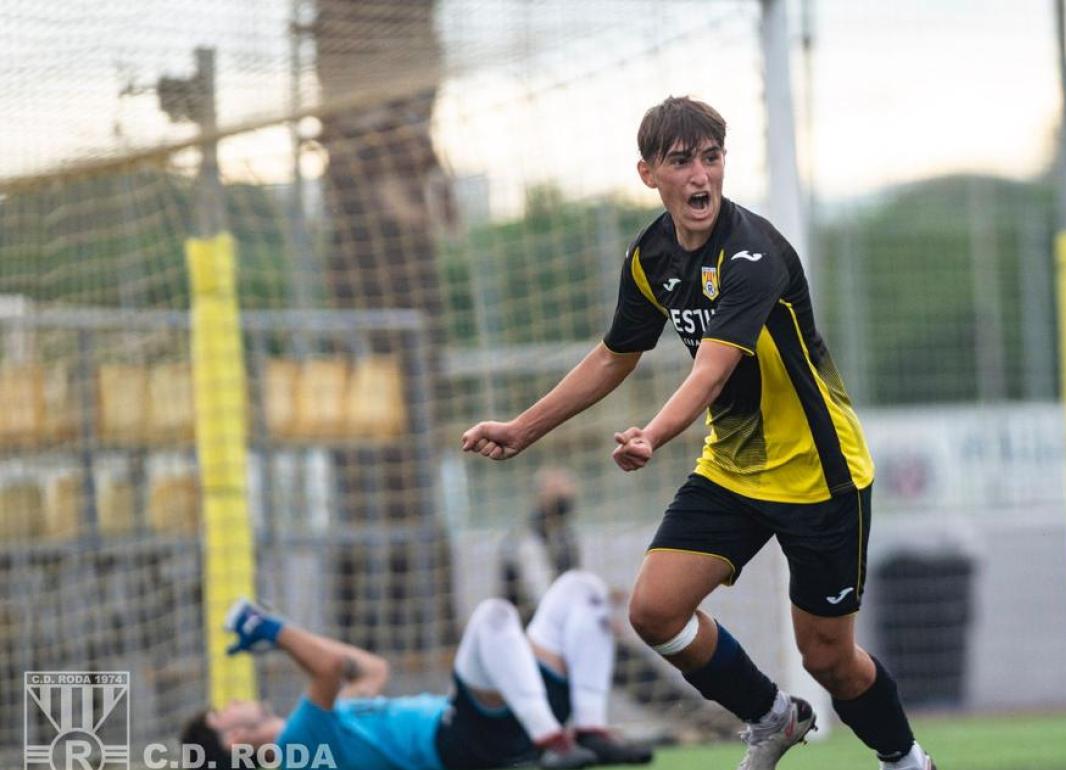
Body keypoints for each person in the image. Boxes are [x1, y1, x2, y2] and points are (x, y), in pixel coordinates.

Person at [462, 96, 936, 770]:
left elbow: (712, 372)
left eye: (711, 158)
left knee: (828, 658)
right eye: (681, 162)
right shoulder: (650, 255)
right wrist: (522, 429)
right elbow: (613, 355)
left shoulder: (753, 253)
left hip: (819, 474)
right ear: (648, 173)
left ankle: (907, 761)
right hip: (735, 470)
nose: (700, 177)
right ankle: (774, 717)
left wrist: (651, 435)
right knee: (654, 610)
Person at [181, 570, 653, 770]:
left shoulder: (333, 726)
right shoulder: (296, 752)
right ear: (235, 743)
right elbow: (325, 669)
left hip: (493, 723)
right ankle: (556, 740)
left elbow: (366, 668)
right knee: (493, 617)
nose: (236, 702)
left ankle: (588, 727)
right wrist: (268, 627)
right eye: (224, 711)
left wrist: (281, 637)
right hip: (465, 739)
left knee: (579, 588)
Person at [499, 466, 582, 621]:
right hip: (529, 628)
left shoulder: (565, 535)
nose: (565, 499)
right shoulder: (526, 537)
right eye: (558, 494)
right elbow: (540, 595)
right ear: (542, 497)